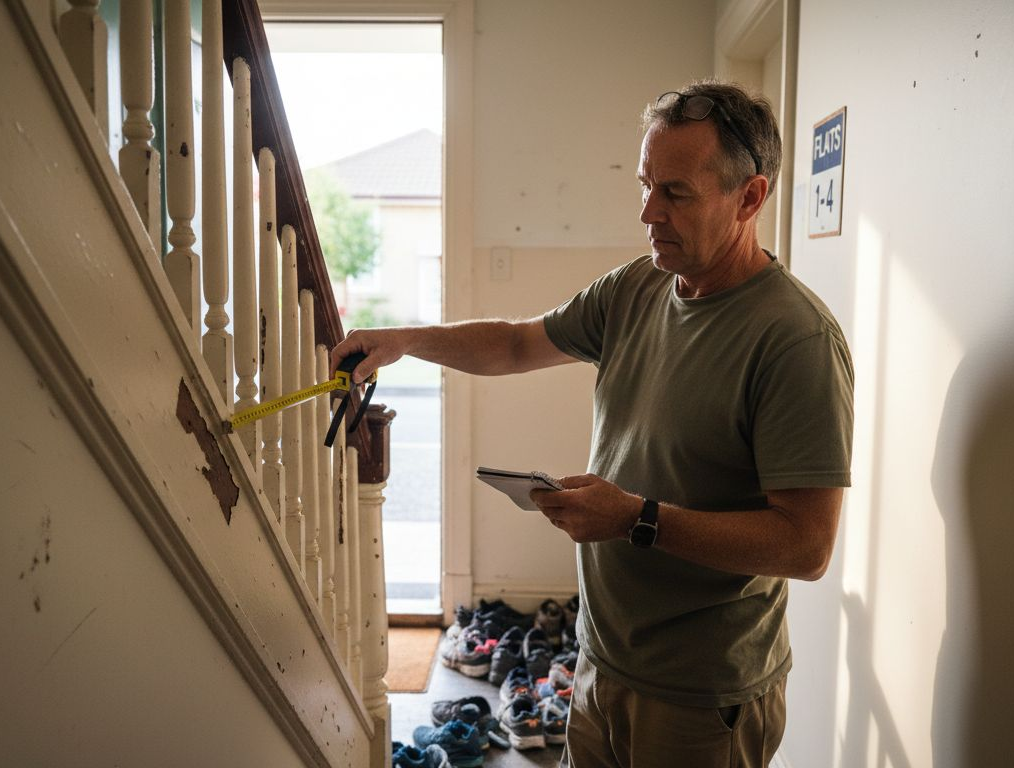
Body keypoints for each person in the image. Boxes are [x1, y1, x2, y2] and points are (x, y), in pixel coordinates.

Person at [332, 80, 854, 767]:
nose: (648, 213)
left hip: (703, 698)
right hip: (600, 664)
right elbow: (519, 342)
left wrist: (636, 519)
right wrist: (405, 339)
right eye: (645, 185)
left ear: (749, 198)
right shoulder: (637, 287)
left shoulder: (796, 341)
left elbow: (805, 546)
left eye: (676, 193)